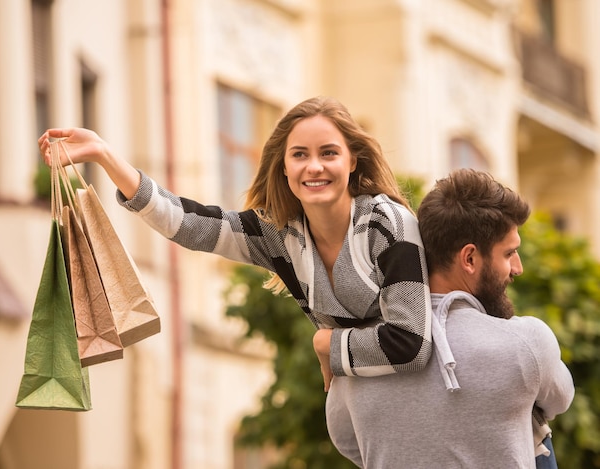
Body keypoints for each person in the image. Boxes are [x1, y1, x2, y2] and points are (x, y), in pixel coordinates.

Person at [38, 96, 433, 434]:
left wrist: (326, 342)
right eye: (300, 155)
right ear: (283, 167)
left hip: (425, 405)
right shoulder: (279, 233)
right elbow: (189, 224)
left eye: (328, 153)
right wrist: (105, 155)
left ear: (352, 162)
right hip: (365, 419)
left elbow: (412, 343)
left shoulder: (388, 223)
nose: (314, 166)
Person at [325, 168, 574, 468]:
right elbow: (560, 399)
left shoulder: (360, 352)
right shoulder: (526, 343)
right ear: (469, 258)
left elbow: (347, 441)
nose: (517, 268)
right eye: (509, 254)